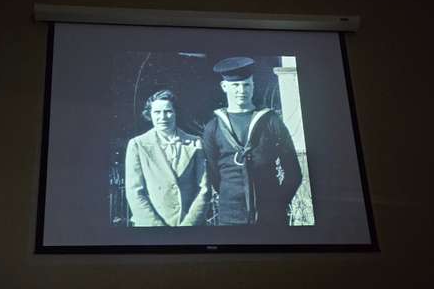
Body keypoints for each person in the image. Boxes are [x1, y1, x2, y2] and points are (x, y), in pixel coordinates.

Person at [202, 57, 302, 226]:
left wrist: (277, 202)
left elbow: (293, 172)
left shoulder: (271, 121)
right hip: (230, 218)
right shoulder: (213, 128)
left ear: (253, 85)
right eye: (235, 85)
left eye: (246, 84)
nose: (241, 90)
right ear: (224, 87)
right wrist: (234, 196)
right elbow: (214, 175)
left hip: (271, 217)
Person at [125, 90, 210, 227]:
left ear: (176, 113)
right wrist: (157, 227)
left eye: (168, 111)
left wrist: (190, 224)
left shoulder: (195, 143)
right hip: (152, 227)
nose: (163, 117)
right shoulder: (137, 145)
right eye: (157, 112)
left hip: (190, 225)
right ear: (149, 115)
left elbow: (204, 189)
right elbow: (134, 192)